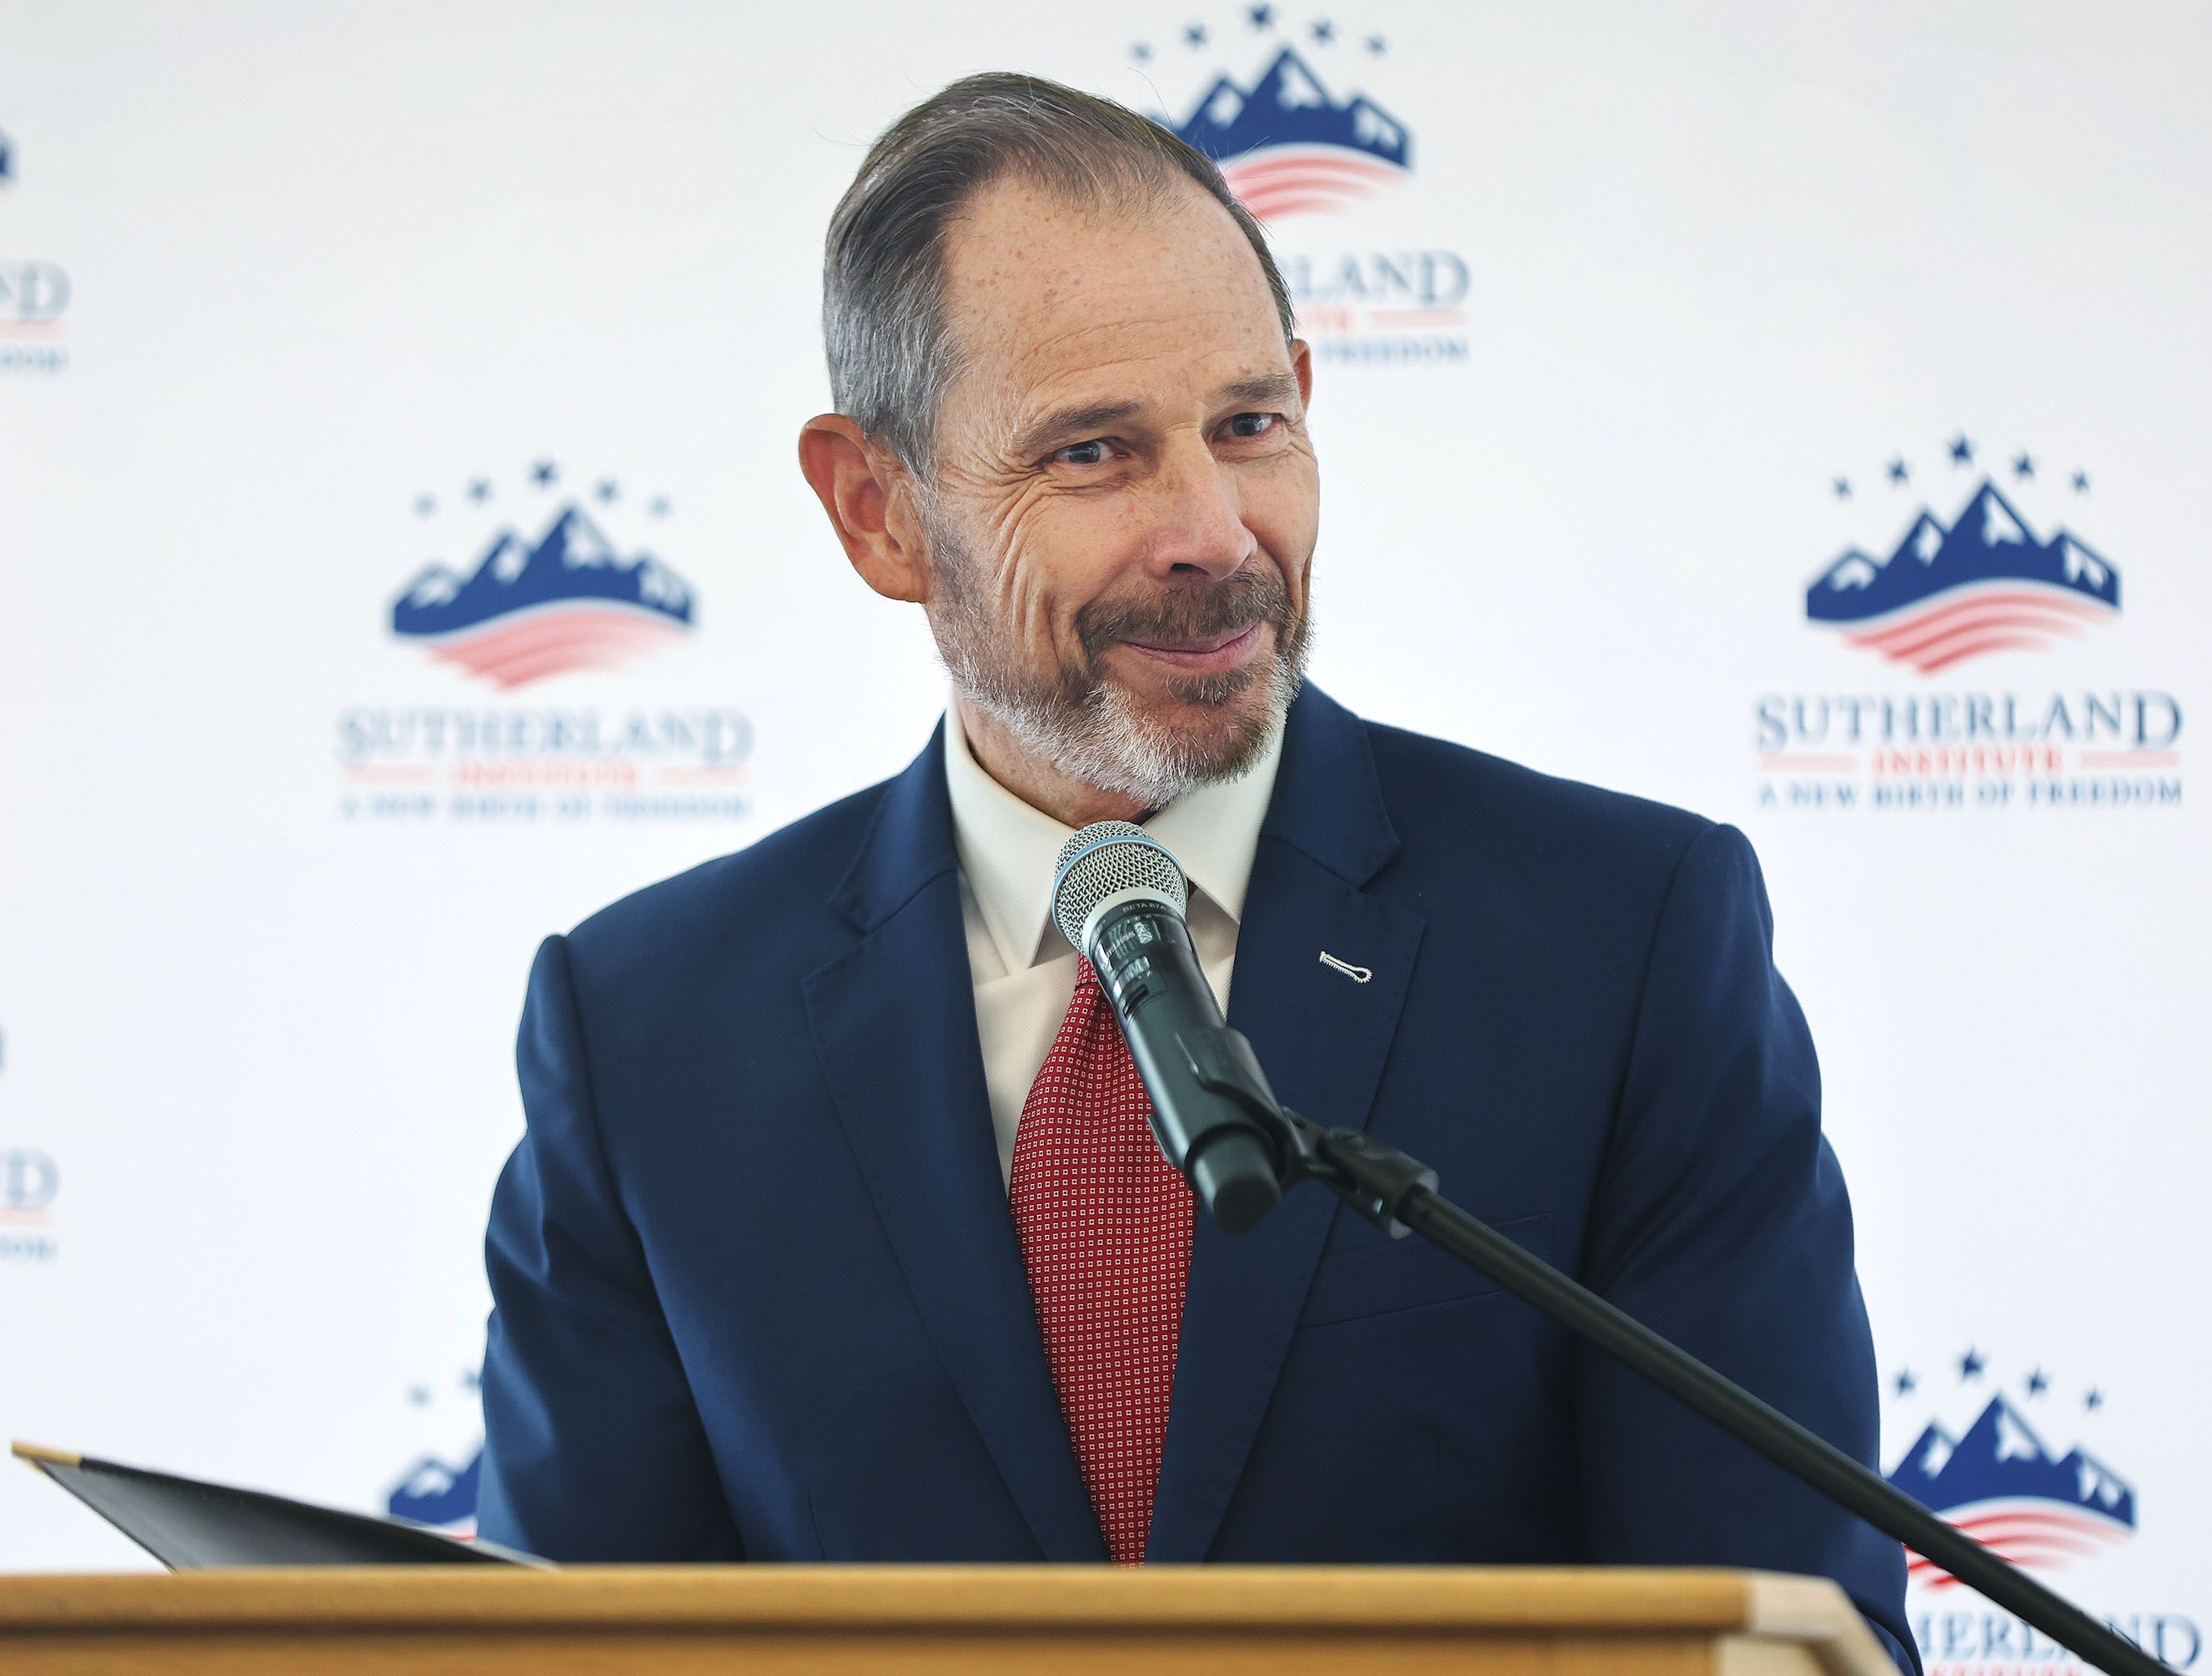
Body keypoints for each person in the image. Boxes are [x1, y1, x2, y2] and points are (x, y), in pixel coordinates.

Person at [474, 72, 1915, 1670]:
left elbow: (1788, 1636)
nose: (1215, 532)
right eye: (1095, 453)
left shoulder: (1626, 943)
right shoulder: (645, 1031)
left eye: (1249, 426)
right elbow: (563, 1648)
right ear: (878, 510)